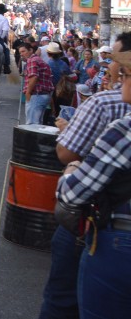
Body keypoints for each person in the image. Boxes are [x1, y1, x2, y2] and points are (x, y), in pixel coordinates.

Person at [54, 31, 131, 319]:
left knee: (62, 298)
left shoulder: (124, 129)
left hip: (118, 243)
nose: (119, 74)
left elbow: (72, 192)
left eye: (125, 70)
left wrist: (73, 169)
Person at [18, 41, 55, 125]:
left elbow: (34, 77)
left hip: (36, 95)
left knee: (32, 124)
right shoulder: (38, 60)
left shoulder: (32, 60)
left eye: (23, 51)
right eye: (20, 52)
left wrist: (28, 92)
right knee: (37, 123)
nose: (21, 54)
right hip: (43, 95)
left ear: (31, 50)